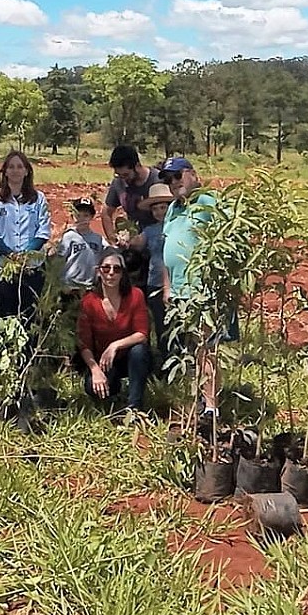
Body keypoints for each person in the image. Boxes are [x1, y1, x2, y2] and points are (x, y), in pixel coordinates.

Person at [160, 157, 219, 422]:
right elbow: (166, 248)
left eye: (177, 176)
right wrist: (167, 287)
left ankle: (211, 406)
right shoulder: (173, 208)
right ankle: (193, 400)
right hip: (180, 291)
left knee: (207, 347)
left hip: (203, 288)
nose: (173, 183)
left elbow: (226, 239)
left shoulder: (209, 201)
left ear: (193, 174)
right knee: (188, 348)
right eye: (168, 179)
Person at [77, 247, 151, 412]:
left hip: (129, 357)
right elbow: (84, 343)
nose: (111, 273)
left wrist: (115, 345)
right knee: (91, 386)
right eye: (106, 268)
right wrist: (95, 370)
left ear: (123, 273)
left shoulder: (135, 295)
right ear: (98, 272)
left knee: (139, 351)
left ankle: (135, 407)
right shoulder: (89, 302)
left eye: (116, 269)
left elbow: (142, 334)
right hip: (104, 361)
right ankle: (113, 389)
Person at [0, 150, 51, 325]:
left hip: (32, 266)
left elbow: (43, 230)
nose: (15, 170)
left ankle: (30, 350)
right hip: (2, 265)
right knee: (7, 312)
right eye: (11, 167)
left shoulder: (38, 199)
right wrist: (11, 255)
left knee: (30, 313)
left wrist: (27, 254)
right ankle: (10, 350)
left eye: (19, 166)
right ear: (4, 171)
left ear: (27, 171)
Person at [133, 182, 174, 357]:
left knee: (179, 325)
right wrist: (124, 239)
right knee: (161, 325)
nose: (160, 212)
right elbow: (136, 243)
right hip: (155, 283)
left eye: (163, 207)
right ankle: (165, 362)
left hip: (177, 282)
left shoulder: (178, 226)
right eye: (156, 208)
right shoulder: (150, 231)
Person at [102, 145, 160, 243]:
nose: (123, 179)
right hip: (131, 239)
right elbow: (106, 213)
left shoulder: (157, 180)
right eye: (118, 175)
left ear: (137, 166)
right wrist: (113, 238)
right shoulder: (118, 182)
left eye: (126, 175)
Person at [54, 197, 105, 292]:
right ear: (72, 216)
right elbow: (59, 260)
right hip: (70, 286)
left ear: (92, 217)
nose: (81, 219)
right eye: (78, 215)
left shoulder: (98, 239)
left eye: (86, 215)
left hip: (89, 286)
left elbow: (109, 251)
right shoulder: (69, 236)